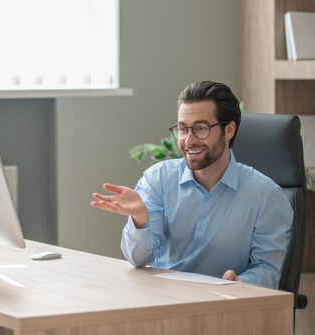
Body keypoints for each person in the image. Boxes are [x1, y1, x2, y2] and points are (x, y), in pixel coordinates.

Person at [91, 80, 292, 289]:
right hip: (164, 302)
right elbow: (138, 259)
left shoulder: (266, 196)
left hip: (222, 307)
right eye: (183, 129)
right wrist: (140, 221)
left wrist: (242, 282)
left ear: (229, 129)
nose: (188, 140)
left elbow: (268, 271)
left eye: (201, 128)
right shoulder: (157, 179)